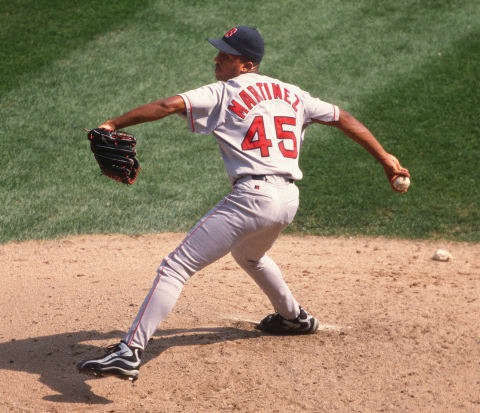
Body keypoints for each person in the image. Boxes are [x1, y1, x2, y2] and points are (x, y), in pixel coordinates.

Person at [77, 26, 410, 381]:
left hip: (252, 197)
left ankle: (130, 351)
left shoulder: (224, 91)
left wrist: (113, 123)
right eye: (219, 52)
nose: (217, 59)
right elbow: (342, 117)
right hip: (287, 200)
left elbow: (167, 105)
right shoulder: (293, 94)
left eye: (227, 55)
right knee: (250, 256)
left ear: (247, 64)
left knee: (175, 267)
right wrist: (386, 159)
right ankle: (293, 317)